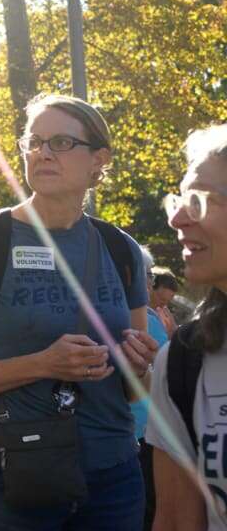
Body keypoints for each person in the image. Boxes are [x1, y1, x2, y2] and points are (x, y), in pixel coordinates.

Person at [0, 93, 158, 530]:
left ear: (99, 160)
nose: (42, 153)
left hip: (112, 478)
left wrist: (138, 364)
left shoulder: (121, 249)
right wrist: (43, 364)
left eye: (60, 142)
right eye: (34, 142)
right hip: (10, 476)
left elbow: (135, 391)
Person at [147, 123, 227, 530]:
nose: (177, 217)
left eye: (197, 200)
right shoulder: (183, 360)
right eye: (178, 199)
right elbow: (177, 520)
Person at [133, 247, 172, 531]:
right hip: (142, 434)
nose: (150, 283)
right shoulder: (141, 318)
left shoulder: (150, 317)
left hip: (145, 431)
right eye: (146, 276)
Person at [149, 267, 180, 338]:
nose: (164, 305)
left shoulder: (164, 320)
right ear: (150, 287)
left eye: (168, 301)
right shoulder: (134, 307)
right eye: (161, 298)